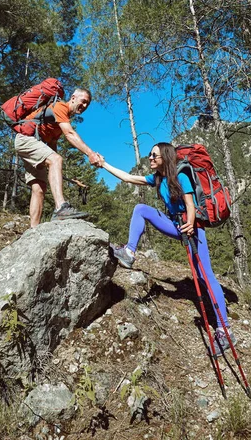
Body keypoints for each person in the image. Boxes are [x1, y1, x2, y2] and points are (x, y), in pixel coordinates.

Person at [98, 142, 236, 356]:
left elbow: (190, 205)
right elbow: (128, 178)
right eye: (150, 155)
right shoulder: (158, 178)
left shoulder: (181, 176)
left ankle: (224, 330)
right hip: (175, 225)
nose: (150, 158)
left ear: (165, 157)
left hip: (192, 229)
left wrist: (190, 224)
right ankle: (129, 252)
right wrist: (104, 164)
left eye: (154, 155)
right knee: (141, 209)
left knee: (205, 276)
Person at [15, 87, 102, 227]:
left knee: (39, 187)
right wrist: (90, 154)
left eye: (87, 104)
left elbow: (52, 145)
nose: (85, 106)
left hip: (33, 143)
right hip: (26, 139)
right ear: (73, 97)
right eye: (83, 101)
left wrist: (55, 169)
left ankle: (33, 230)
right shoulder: (61, 106)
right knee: (56, 159)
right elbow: (70, 134)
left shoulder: (58, 121)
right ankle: (61, 208)